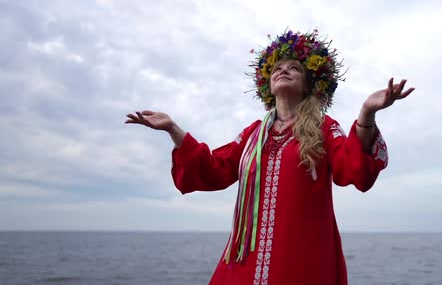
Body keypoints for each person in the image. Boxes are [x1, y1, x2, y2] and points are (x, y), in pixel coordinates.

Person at [125, 29, 414, 285]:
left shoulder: (325, 128)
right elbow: (214, 169)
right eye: (278, 67)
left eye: (294, 68)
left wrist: (366, 112)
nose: (283, 70)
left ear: (309, 84)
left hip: (302, 258)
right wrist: (174, 130)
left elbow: (353, 169)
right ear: (268, 83)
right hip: (245, 260)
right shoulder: (253, 135)